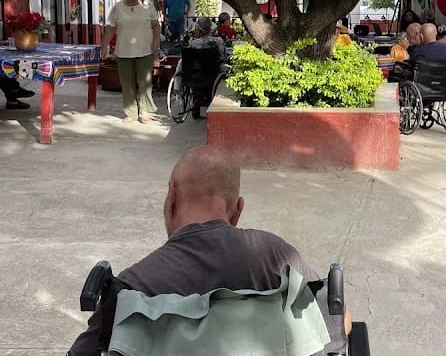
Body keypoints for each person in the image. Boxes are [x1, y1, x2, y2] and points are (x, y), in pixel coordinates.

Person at [66, 146, 347, 356]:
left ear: (171, 197)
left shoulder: (131, 287)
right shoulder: (276, 258)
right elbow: (338, 324)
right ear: (237, 210)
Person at [101, 0, 161, 123]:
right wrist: (104, 46)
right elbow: (111, 28)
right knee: (127, 83)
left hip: (145, 49)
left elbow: (156, 26)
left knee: (144, 82)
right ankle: (131, 112)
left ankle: (145, 111)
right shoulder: (118, 7)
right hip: (123, 50)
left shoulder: (148, 6)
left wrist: (156, 43)